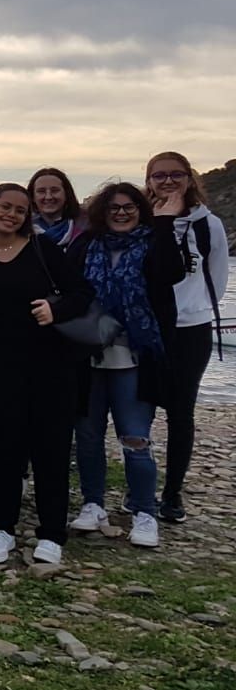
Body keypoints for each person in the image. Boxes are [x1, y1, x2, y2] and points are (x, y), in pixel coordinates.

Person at [0, 183, 92, 565]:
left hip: (54, 364)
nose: (11, 215)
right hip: (1, 367)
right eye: (5, 207)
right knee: (3, 448)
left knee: (51, 450)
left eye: (20, 210)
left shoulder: (42, 249)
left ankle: (52, 533)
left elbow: (82, 293)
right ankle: (0, 528)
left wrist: (56, 310)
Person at [68, 182, 185, 547]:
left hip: (137, 359)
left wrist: (164, 222)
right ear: (102, 212)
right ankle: (93, 504)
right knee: (88, 437)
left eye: (129, 207)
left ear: (140, 210)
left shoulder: (154, 243)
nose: (121, 213)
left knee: (135, 437)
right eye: (114, 207)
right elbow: (68, 290)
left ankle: (145, 512)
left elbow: (172, 272)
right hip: (89, 357)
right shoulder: (86, 245)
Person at [147, 152, 229, 524]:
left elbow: (217, 277)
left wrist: (193, 308)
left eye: (175, 174)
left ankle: (172, 493)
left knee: (181, 411)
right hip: (150, 326)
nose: (167, 181)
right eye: (159, 175)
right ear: (149, 181)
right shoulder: (143, 220)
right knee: (142, 408)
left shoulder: (208, 224)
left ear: (189, 178)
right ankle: (141, 485)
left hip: (191, 329)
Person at [28, 168, 85, 248]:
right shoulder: (20, 233)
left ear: (66, 194)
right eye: (41, 191)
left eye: (55, 191)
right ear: (32, 197)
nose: (48, 197)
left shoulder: (88, 229)